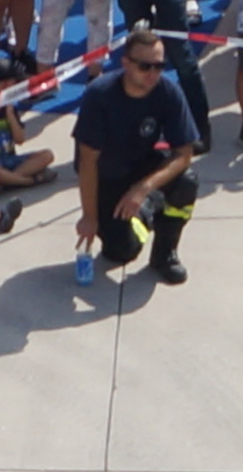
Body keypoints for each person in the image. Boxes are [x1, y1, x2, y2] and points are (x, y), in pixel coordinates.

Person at [68, 27, 204, 287]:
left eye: (159, 66)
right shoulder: (100, 95)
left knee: (187, 181)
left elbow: (183, 154)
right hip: (106, 177)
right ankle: (145, 213)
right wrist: (89, 216)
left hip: (142, 166)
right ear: (126, 63)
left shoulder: (168, 92)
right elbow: (87, 163)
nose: (153, 73)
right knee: (121, 252)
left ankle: (164, 254)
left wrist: (143, 188)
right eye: (145, 66)